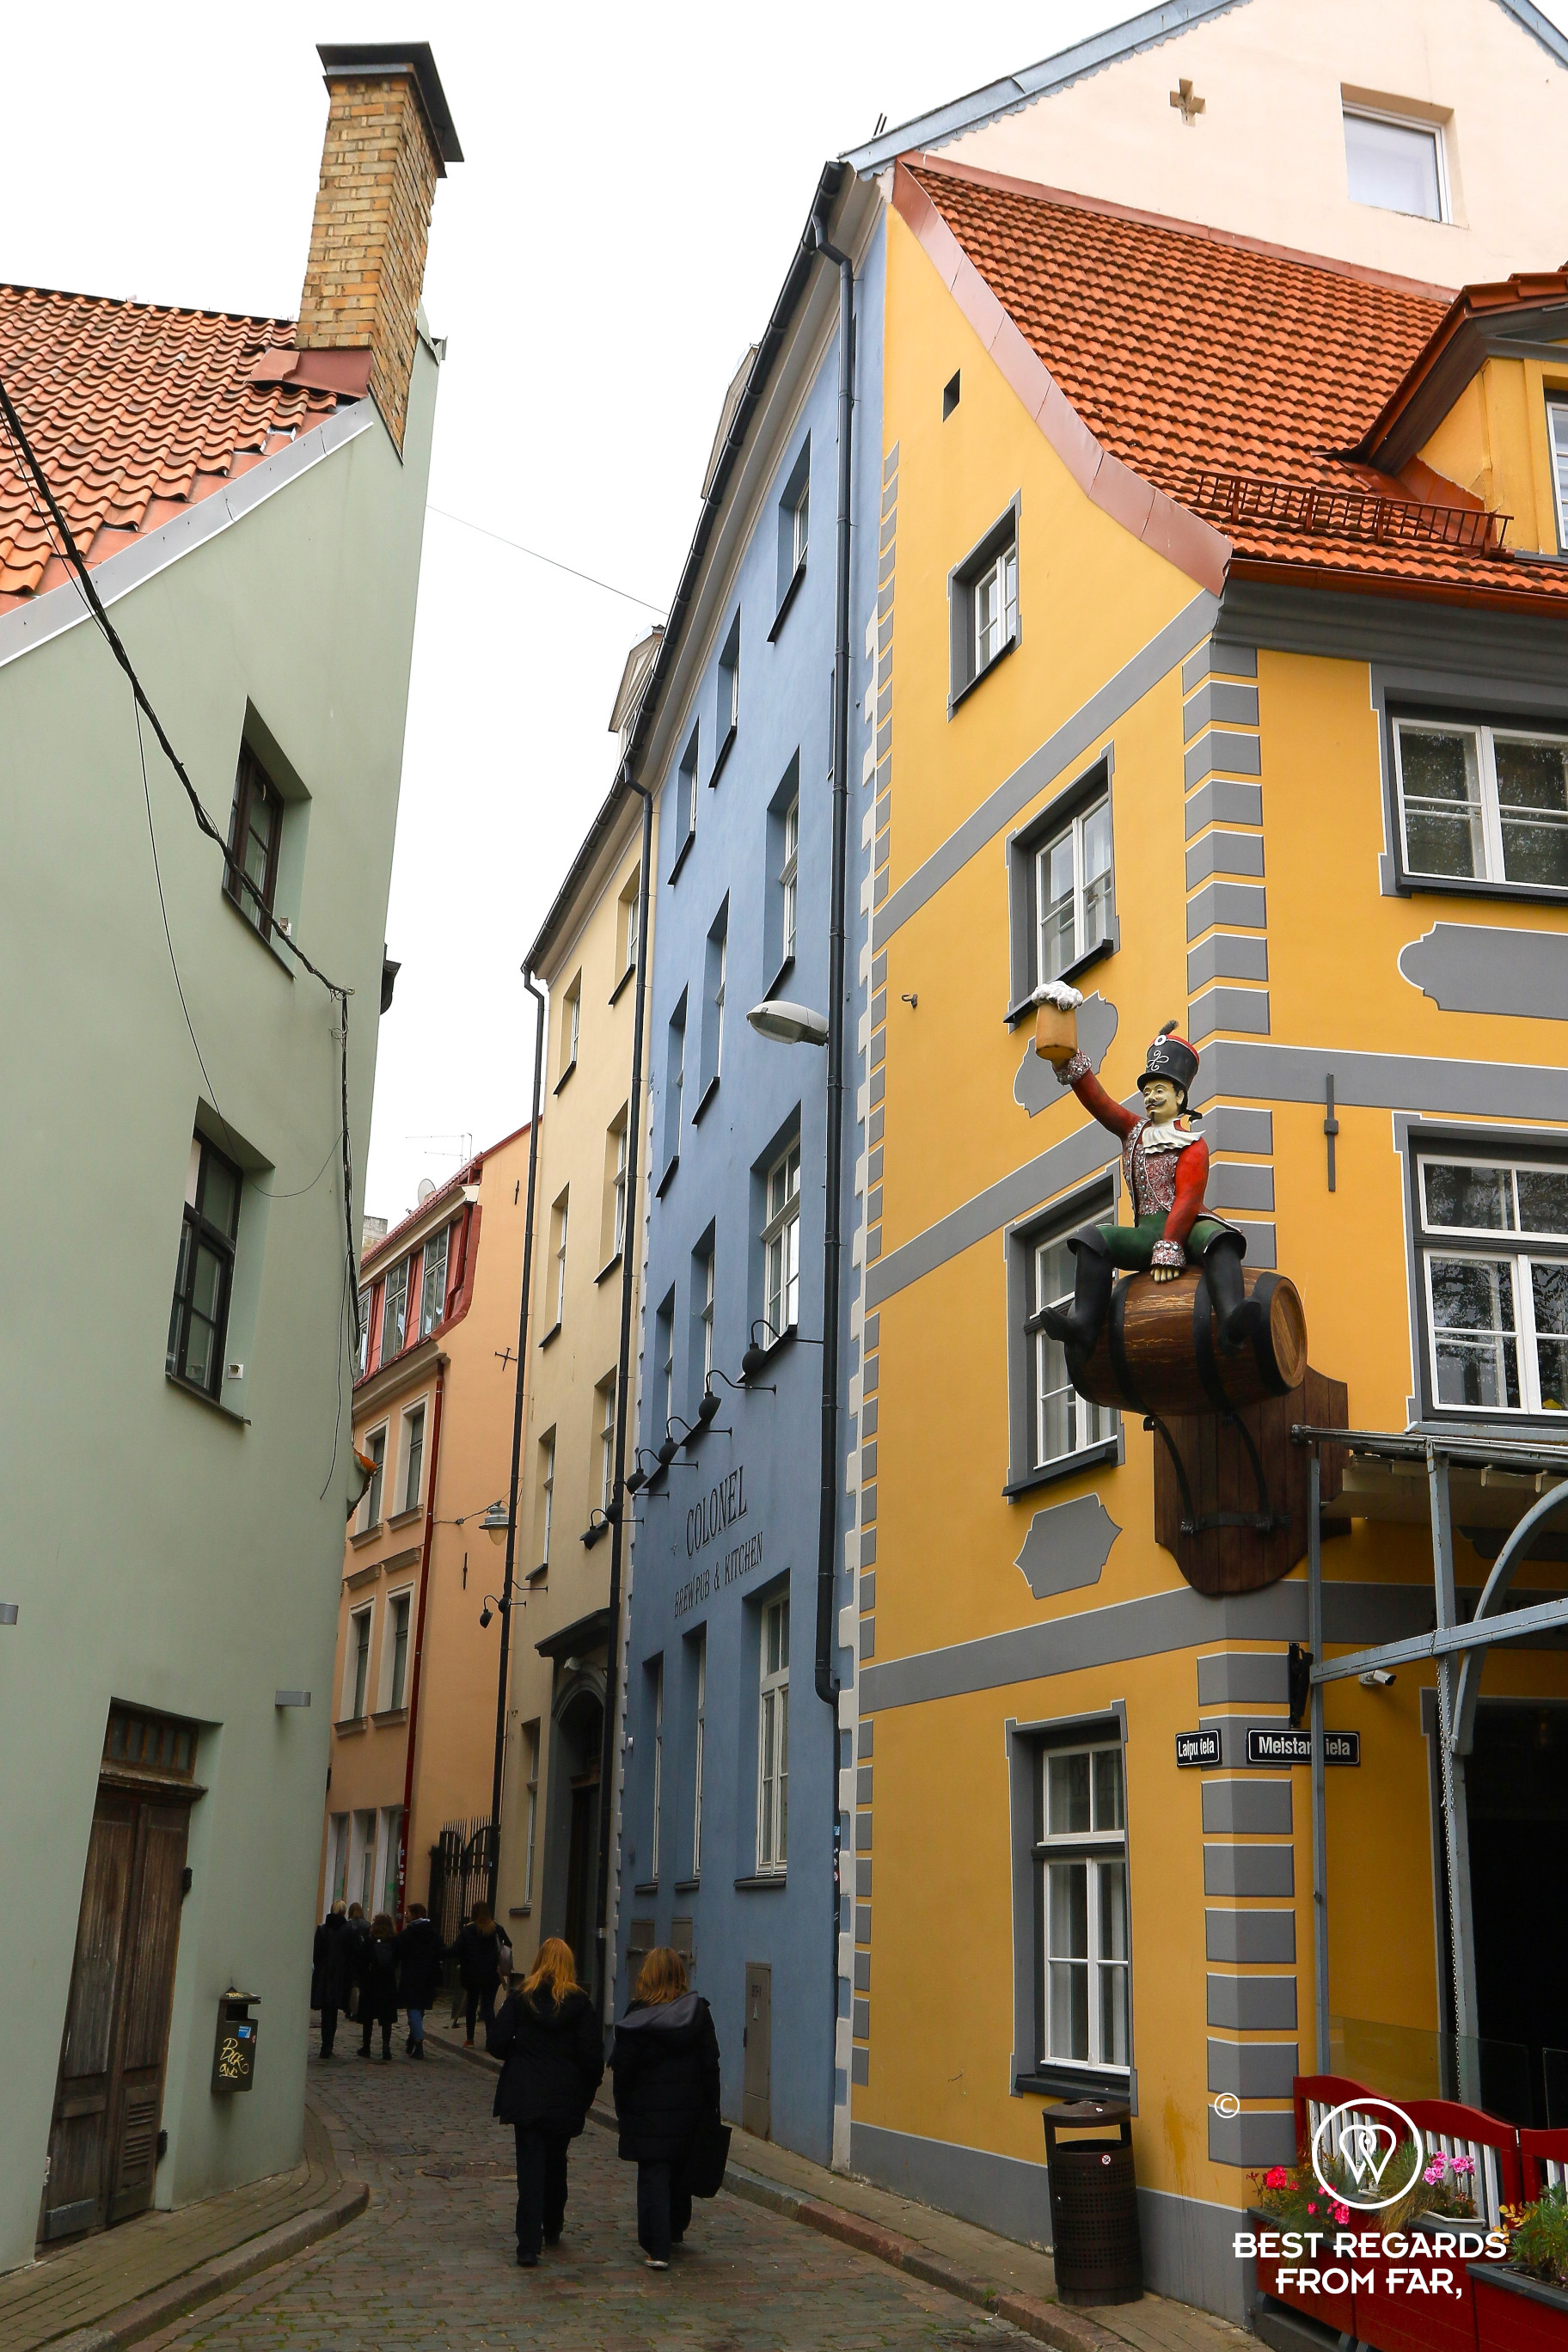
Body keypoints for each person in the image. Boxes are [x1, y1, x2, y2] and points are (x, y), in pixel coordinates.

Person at [1038, 1001, 1266, 1361]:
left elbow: (1188, 1198)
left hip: (1189, 1224)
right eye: (1147, 1091)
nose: (1151, 1097)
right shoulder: (1133, 1131)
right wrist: (1067, 1060)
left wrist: (1170, 1246)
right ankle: (1083, 1323)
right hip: (1147, 1230)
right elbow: (1100, 1102)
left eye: (1160, 1090)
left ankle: (1231, 1319)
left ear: (1179, 1096)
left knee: (1221, 1239)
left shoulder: (1194, 1144)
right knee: (1091, 1239)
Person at [487, 1937, 603, 2267]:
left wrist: (519, 2054)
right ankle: (552, 2223)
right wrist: (585, 2093)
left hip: (526, 2093)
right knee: (555, 2160)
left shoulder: (521, 1997)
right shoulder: (580, 2004)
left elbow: (495, 2041)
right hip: (563, 2095)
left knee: (530, 2165)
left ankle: (528, 2244)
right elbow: (592, 2058)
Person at [609, 1946, 721, 2269]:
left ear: (648, 1976)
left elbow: (624, 2069)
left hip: (648, 2112)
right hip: (689, 2109)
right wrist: (711, 2106)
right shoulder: (698, 2012)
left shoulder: (637, 2017)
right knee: (679, 2168)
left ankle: (658, 2246)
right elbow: (710, 2063)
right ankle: (674, 2229)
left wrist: (624, 2107)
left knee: (654, 2173)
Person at [395, 1902, 444, 2061]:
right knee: (419, 2008)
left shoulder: (408, 1934)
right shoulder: (433, 1933)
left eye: (408, 1913)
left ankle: (418, 2042)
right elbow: (441, 1951)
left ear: (416, 1915)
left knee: (413, 2010)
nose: (405, 1915)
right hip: (428, 1976)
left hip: (412, 1976)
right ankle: (412, 2038)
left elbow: (398, 1953)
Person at [310, 1899, 354, 2059]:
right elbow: (352, 1955)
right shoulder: (349, 1930)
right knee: (333, 2012)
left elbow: (316, 1955)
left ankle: (325, 2045)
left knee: (326, 2012)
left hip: (324, 1976)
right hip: (340, 1976)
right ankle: (329, 2043)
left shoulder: (322, 1930)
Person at [455, 1904, 503, 2045]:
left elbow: (456, 1949)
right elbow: (508, 1945)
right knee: (488, 2007)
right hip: (492, 1974)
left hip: (472, 1974)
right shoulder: (497, 1929)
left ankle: (470, 2039)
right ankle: (491, 2039)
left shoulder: (468, 1930)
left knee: (472, 2005)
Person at [358, 1914, 400, 2061]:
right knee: (386, 2018)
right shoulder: (394, 1941)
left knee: (368, 2017)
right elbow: (397, 1961)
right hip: (387, 1983)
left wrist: (362, 1980)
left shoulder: (369, 1941)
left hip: (371, 1982)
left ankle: (366, 2046)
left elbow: (361, 1961)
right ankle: (386, 2046)